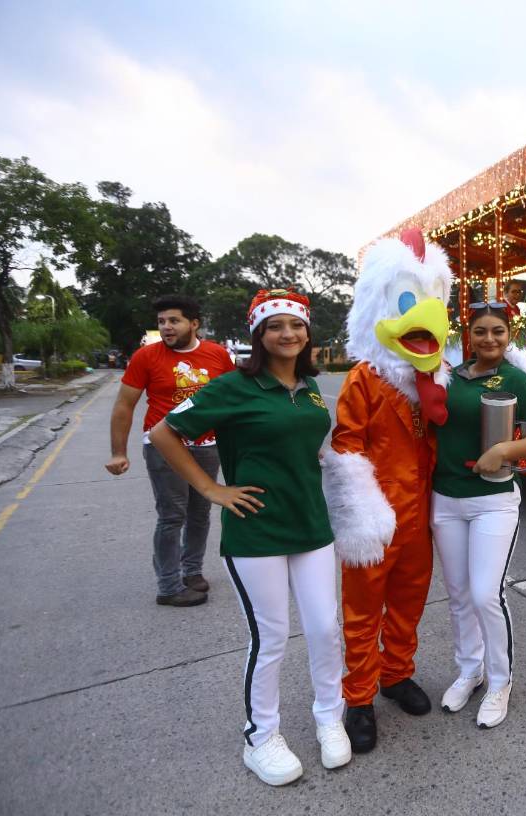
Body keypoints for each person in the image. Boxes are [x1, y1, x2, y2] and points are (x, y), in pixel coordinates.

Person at [148, 288, 351, 786]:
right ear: (259, 334)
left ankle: (330, 717)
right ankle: (260, 737)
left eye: (297, 326)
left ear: (307, 333)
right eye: (276, 326)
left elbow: (301, 443)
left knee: (326, 628)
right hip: (256, 530)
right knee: (272, 638)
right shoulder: (234, 386)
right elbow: (162, 432)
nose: (288, 334)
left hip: (311, 525)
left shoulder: (307, 386)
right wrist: (210, 488)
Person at [322, 230, 453, 754]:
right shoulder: (365, 379)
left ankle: (396, 674)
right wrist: (359, 515)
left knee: (409, 600)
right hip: (376, 517)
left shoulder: (439, 379)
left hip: (419, 516)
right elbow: (345, 446)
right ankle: (358, 696)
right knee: (362, 609)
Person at [431, 303, 526, 728]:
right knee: (459, 594)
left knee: (486, 593)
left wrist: (503, 450)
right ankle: (470, 670)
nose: (489, 340)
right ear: (469, 334)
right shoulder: (449, 376)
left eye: (498, 332)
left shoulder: (516, 378)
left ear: (508, 334)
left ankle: (500, 681)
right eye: (481, 332)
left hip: (494, 499)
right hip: (445, 500)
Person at [106, 294, 235, 606]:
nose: (166, 327)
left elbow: (235, 401)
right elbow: (124, 406)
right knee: (172, 514)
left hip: (207, 445)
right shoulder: (145, 357)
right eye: (162, 322)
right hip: (163, 445)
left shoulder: (217, 355)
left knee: (201, 511)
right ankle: (168, 585)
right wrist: (118, 452)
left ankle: (192, 571)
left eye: (173, 320)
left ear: (194, 324)